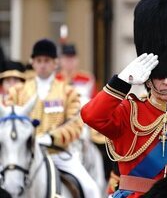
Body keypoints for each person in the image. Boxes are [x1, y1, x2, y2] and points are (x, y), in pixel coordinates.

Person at [81, 0, 167, 197]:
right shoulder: (129, 112)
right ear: (148, 77)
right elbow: (91, 115)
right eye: (159, 76)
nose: (166, 82)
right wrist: (122, 82)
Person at [8, 38, 101, 198]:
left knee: (91, 189)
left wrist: (52, 138)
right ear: (33, 62)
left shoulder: (68, 92)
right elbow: (7, 121)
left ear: (55, 63)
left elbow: (76, 123)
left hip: (57, 153)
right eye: (39, 60)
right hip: (23, 154)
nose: (42, 64)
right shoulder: (17, 92)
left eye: (47, 60)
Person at [57, 43, 107, 192]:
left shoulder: (87, 79)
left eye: (72, 58)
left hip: (86, 126)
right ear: (60, 60)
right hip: (63, 126)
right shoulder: (56, 80)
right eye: (66, 58)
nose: (69, 62)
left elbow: (96, 103)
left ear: (77, 60)